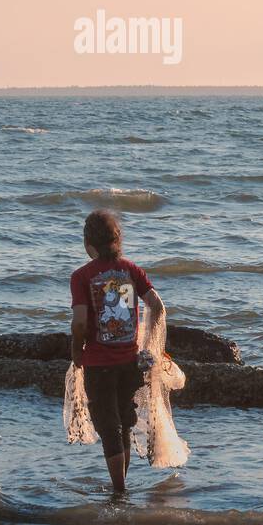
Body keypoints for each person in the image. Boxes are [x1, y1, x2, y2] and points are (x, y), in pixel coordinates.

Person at [69, 209, 166, 492]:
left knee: (107, 426)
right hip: (130, 363)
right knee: (123, 424)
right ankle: (120, 487)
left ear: (88, 243)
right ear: (117, 239)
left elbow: (79, 322)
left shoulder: (81, 276)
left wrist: (77, 349)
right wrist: (149, 346)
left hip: (99, 364)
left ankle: (119, 491)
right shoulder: (132, 270)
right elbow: (157, 307)